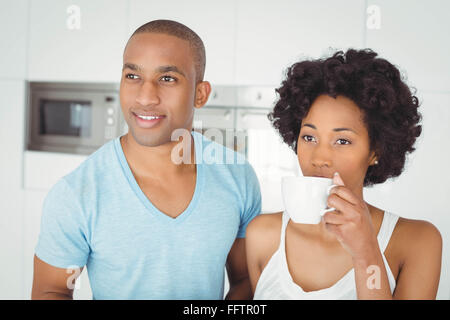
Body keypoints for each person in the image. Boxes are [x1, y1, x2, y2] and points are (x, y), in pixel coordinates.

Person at [32, 19, 261, 300]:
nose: (145, 96)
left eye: (167, 78)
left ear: (200, 94)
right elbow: (51, 291)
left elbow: (246, 280)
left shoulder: (237, 177)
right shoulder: (76, 193)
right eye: (133, 76)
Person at [245, 48, 442, 299]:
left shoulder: (417, 242)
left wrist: (366, 250)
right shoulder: (261, 236)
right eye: (309, 137)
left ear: (375, 151)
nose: (319, 158)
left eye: (342, 141)